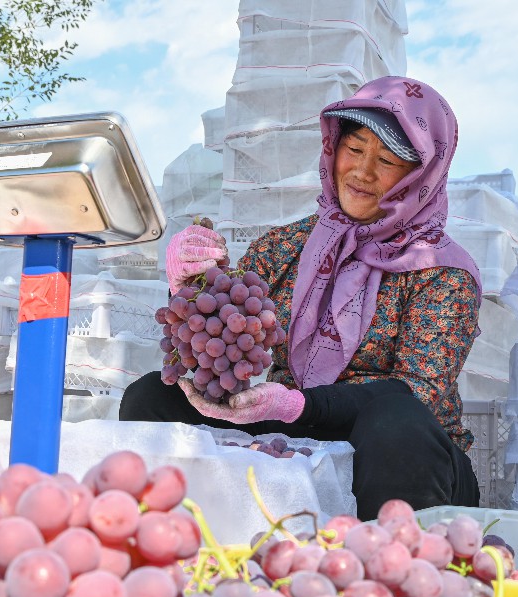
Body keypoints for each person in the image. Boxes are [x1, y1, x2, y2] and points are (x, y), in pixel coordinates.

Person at [119, 75, 483, 520]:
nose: (362, 172)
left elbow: (417, 392)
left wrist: (301, 404)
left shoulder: (442, 270)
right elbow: (226, 332)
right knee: (152, 397)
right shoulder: (287, 246)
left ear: (421, 175)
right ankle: (171, 537)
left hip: (402, 455)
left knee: (395, 419)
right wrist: (189, 287)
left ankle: (389, 556)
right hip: (297, 430)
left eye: (387, 160)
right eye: (354, 149)